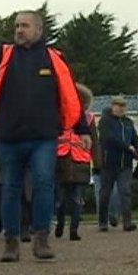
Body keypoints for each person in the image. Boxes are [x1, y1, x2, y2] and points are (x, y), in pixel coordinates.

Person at [0, 10, 88, 262]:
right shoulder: (4, 54)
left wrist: (83, 129)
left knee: (44, 185)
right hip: (9, 137)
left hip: (43, 137)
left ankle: (41, 240)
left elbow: (69, 95)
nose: (19, 30)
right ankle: (11, 242)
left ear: (38, 30)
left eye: (24, 25)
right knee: (11, 188)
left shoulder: (54, 59)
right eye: (16, 26)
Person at [55, 83, 97, 241]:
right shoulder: (57, 115)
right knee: (59, 199)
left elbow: (95, 142)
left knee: (77, 199)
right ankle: (60, 223)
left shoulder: (88, 118)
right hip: (61, 161)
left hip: (81, 163)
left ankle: (74, 229)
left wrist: (98, 164)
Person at [97, 96, 138, 232]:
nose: (121, 108)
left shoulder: (129, 122)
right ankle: (103, 222)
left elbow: (135, 139)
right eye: (118, 105)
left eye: (123, 106)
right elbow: (109, 138)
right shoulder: (105, 121)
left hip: (126, 164)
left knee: (125, 191)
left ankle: (127, 222)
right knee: (105, 193)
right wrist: (127, 147)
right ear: (112, 106)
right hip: (109, 163)